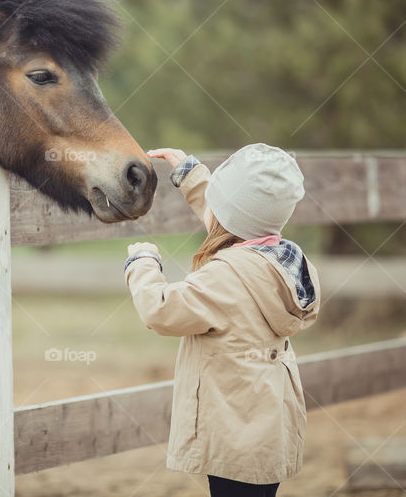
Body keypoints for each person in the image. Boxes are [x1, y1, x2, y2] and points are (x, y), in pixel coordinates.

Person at [124, 143, 320, 497]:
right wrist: (191, 175)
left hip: (233, 431)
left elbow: (160, 310)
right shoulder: (280, 261)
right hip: (267, 430)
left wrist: (142, 263)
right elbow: (233, 221)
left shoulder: (225, 277)